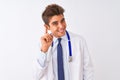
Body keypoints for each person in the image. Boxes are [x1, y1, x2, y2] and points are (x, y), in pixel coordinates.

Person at [36, 4, 94, 80]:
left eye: (62, 20)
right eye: (55, 23)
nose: (61, 26)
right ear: (47, 27)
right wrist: (44, 50)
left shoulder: (79, 41)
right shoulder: (42, 45)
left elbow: (88, 71)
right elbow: (37, 75)